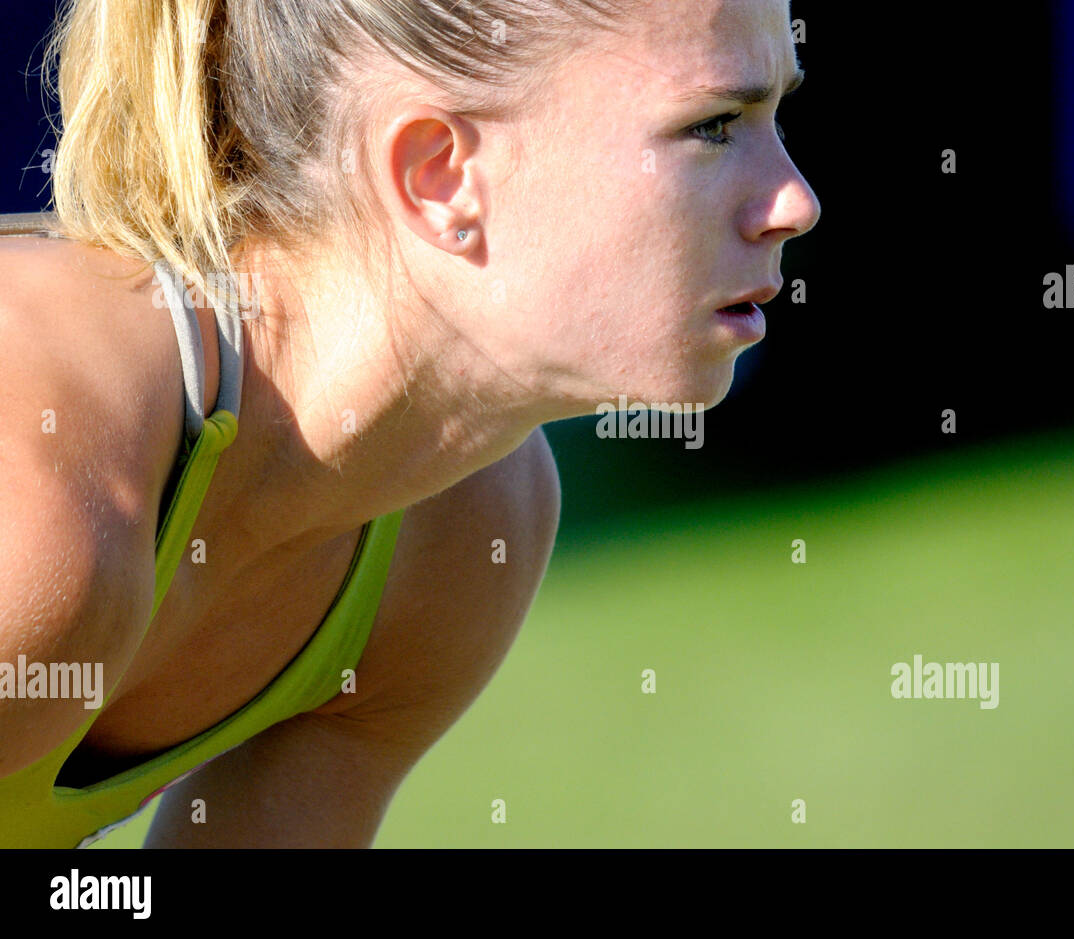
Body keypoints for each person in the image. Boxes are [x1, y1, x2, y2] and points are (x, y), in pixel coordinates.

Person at [0, 0, 820, 847]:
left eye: (774, 115)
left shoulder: (466, 530)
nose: (796, 201)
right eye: (714, 124)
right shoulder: (40, 477)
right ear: (441, 174)